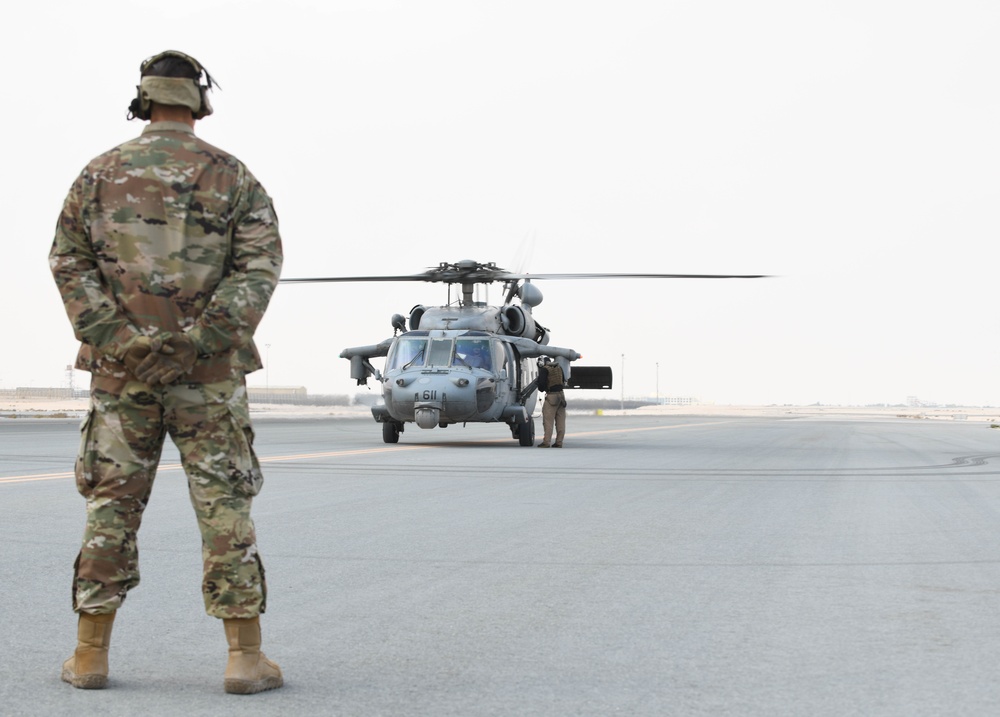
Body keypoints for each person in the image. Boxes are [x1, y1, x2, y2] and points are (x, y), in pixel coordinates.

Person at [49, 50, 283, 695]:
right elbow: (257, 269)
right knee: (225, 506)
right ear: (199, 99)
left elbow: (69, 264)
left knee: (111, 509)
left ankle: (89, 656)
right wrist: (197, 342)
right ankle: (244, 659)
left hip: (121, 380)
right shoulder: (232, 177)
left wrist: (122, 341)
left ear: (143, 98)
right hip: (208, 378)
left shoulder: (99, 173)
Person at [536, 357, 567, 447]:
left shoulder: (545, 369)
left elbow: (541, 386)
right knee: (560, 421)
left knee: (548, 421)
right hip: (561, 396)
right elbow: (563, 380)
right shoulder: (559, 368)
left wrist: (540, 385)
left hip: (551, 397)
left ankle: (546, 442)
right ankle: (559, 442)